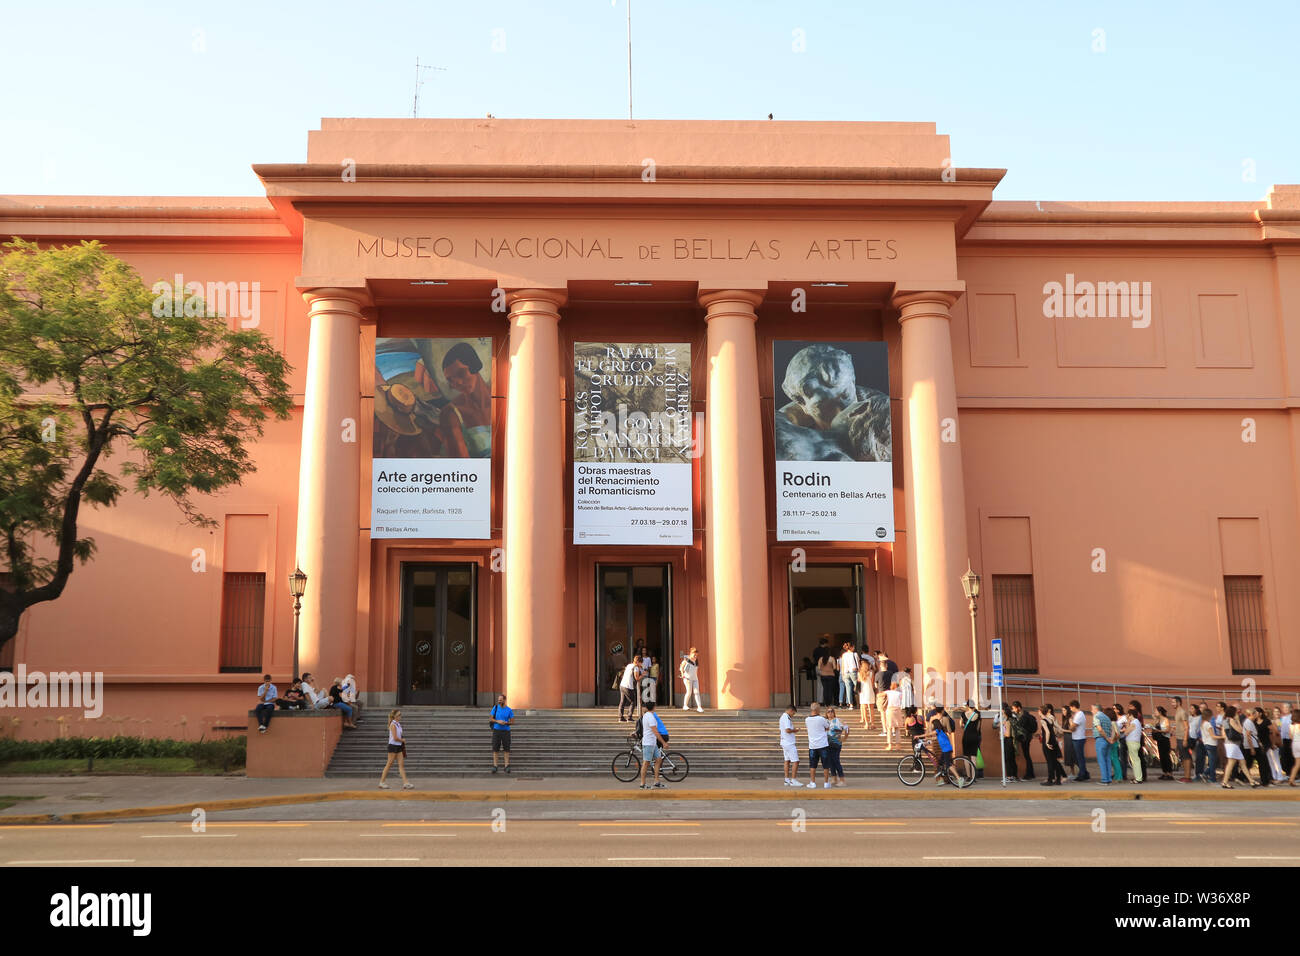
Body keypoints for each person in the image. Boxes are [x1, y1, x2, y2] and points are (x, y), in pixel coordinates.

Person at [1220, 705, 1256, 789]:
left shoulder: (1225, 720)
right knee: (1231, 764)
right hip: (1233, 744)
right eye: (1236, 712)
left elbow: (1224, 733)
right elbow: (1241, 730)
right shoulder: (1232, 720)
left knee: (1242, 763)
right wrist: (1238, 721)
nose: (1237, 713)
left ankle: (1251, 781)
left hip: (1229, 743)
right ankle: (1224, 782)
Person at [378, 709, 414, 790]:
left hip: (398, 746)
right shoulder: (393, 724)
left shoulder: (398, 724)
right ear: (395, 716)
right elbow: (395, 738)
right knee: (389, 764)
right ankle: (382, 782)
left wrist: (401, 742)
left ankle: (406, 783)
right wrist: (402, 740)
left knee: (401, 765)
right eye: (399, 715)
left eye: (400, 714)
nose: (400, 716)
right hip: (393, 746)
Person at [638, 701, 668, 790]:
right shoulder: (650, 717)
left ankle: (656, 781)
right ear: (653, 707)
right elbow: (655, 731)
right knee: (646, 762)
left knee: (658, 760)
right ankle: (642, 784)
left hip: (652, 743)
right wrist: (663, 742)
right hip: (648, 743)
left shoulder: (647, 715)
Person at [805, 702, 832, 789]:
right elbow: (827, 727)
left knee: (812, 765)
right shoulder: (821, 719)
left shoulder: (807, 719)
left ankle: (812, 782)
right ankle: (826, 783)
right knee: (826, 765)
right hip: (823, 745)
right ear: (817, 710)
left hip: (812, 746)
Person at [927, 707, 956, 785]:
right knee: (947, 761)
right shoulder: (945, 719)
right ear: (942, 710)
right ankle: (947, 778)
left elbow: (929, 731)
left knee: (937, 760)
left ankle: (939, 779)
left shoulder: (932, 718)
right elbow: (949, 731)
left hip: (935, 742)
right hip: (944, 741)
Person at [1039, 704, 1064, 786]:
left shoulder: (1043, 720)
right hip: (1054, 741)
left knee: (1050, 761)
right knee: (1054, 761)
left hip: (1048, 741)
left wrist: (1046, 742)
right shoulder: (1051, 719)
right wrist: (1064, 731)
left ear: (1041, 712)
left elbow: (1048, 732)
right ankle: (1058, 779)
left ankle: (1050, 779)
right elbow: (1058, 728)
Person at [1012, 701, 1036, 780]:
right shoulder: (1025, 714)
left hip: (1025, 738)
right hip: (1027, 737)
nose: (1013, 710)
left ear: (1019, 707)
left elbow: (1019, 726)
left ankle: (1029, 774)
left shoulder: (1023, 716)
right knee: (1027, 755)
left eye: (1014, 708)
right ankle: (1031, 773)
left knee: (1027, 756)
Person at [1091, 704, 1115, 785]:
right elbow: (1112, 730)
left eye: (1092, 709)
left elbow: (1100, 729)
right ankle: (1108, 779)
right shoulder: (1107, 717)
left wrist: (1107, 738)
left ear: (1096, 709)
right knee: (1107, 760)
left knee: (1101, 760)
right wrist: (1110, 739)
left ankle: (1104, 779)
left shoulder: (1096, 717)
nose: (1091, 711)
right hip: (1108, 741)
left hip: (1101, 739)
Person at [489, 693, 513, 774]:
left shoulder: (509, 710)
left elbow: (512, 721)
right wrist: (497, 721)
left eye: (501, 700)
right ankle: (495, 766)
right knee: (495, 749)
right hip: (496, 731)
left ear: (504, 700)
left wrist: (506, 723)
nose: (499, 701)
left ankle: (506, 766)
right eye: (498, 700)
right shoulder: (495, 708)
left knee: (506, 749)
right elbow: (491, 719)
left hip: (506, 731)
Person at [826, 706, 849, 787]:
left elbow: (847, 728)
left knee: (836, 761)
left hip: (836, 744)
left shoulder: (838, 720)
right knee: (830, 762)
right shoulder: (825, 721)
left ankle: (842, 780)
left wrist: (845, 738)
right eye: (828, 711)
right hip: (827, 744)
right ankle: (834, 778)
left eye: (831, 711)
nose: (830, 713)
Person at [1199, 702, 1221, 784]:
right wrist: (1222, 737)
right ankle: (1211, 777)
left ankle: (1206, 774)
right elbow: (1213, 736)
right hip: (1211, 744)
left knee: (1213, 761)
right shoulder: (1208, 724)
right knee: (1213, 762)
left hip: (1206, 744)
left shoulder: (1203, 724)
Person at [1068, 700, 1090, 781]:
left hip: (1078, 739)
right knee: (1078, 757)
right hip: (1077, 738)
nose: (1070, 709)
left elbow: (1072, 728)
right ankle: (1085, 773)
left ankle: (1082, 775)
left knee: (1080, 758)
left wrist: (1070, 722)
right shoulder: (1078, 714)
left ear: (1074, 706)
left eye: (1070, 707)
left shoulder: (1079, 715)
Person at [780, 703, 801, 786]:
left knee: (787, 760)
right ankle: (793, 780)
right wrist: (795, 730)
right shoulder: (786, 717)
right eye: (793, 713)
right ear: (790, 710)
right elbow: (787, 730)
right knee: (796, 761)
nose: (793, 715)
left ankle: (786, 779)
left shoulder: (784, 717)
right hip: (789, 743)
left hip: (785, 742)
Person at [960, 703, 983, 779]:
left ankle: (968, 776)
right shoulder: (978, 715)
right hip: (975, 736)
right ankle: (973, 777)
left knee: (966, 757)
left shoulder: (963, 714)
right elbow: (978, 727)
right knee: (974, 758)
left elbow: (961, 725)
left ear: (967, 706)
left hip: (966, 736)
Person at [1170, 696, 1189, 781]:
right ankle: (1185, 776)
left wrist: (1185, 739)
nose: (1172, 704)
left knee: (1186, 757)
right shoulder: (1178, 712)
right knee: (1183, 757)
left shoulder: (1182, 712)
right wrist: (1173, 730)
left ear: (1178, 702)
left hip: (1182, 737)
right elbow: (1178, 724)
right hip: (1179, 737)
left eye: (1174, 702)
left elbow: (1186, 727)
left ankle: (1187, 777)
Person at [1123, 706, 1144, 784]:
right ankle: (1137, 777)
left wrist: (1127, 723)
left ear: (1130, 715)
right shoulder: (1136, 722)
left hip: (1133, 743)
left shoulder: (1134, 723)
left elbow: (1126, 732)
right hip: (1134, 743)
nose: (1126, 716)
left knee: (1135, 761)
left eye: (1127, 714)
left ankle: (1138, 778)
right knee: (1135, 761)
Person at [1152, 705, 1173, 779]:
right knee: (1161, 756)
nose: (1154, 713)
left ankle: (1169, 773)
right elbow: (1154, 727)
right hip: (1159, 739)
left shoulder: (1165, 719)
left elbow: (1167, 730)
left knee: (1166, 756)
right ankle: (1164, 772)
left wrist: (1159, 731)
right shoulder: (1157, 720)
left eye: (1156, 711)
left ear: (1160, 712)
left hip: (1165, 739)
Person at [679, 648, 703, 712]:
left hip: (695, 678)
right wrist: (682, 675)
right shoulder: (686, 659)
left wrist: (696, 677)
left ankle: (699, 707)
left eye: (696, 655)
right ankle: (685, 705)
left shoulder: (696, 661)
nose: (695, 656)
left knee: (696, 692)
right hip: (687, 678)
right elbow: (681, 668)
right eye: (694, 655)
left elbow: (696, 670)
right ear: (691, 653)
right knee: (689, 692)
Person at [816, 644, 838, 709]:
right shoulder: (832, 658)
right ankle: (829, 703)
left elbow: (819, 667)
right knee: (830, 690)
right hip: (831, 676)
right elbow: (834, 667)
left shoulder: (821, 659)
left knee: (825, 689)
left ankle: (826, 703)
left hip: (823, 676)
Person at [874, 659, 892, 737]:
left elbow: (875, 685)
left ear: (880, 666)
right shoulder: (891, 673)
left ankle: (885, 730)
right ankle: (893, 730)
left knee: (882, 713)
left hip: (881, 694)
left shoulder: (877, 674)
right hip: (890, 694)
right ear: (886, 665)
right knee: (890, 713)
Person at [884, 679, 904, 750]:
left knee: (889, 728)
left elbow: (880, 695)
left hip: (890, 710)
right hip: (897, 710)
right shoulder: (900, 693)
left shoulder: (888, 692)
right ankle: (898, 745)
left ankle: (890, 745)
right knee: (897, 728)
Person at [1000, 703, 1018, 780]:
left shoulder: (1007, 721)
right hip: (1013, 741)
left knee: (1007, 759)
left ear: (1005, 714)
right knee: (1012, 759)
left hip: (1008, 741)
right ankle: (1014, 775)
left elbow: (1007, 734)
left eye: (1003, 713)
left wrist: (1002, 733)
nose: (1002, 714)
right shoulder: (1012, 719)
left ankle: (1009, 776)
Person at [618, 657, 639, 722]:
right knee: (633, 702)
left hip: (622, 685)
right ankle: (629, 717)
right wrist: (643, 674)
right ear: (638, 662)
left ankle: (620, 717)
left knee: (622, 701)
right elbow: (637, 678)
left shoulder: (629, 665)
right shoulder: (636, 667)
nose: (642, 664)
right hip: (628, 686)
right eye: (641, 663)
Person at [838, 642, 859, 707]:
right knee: (858, 687)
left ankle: (851, 704)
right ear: (852, 647)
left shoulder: (844, 655)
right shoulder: (855, 654)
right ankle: (859, 703)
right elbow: (858, 663)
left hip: (846, 672)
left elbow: (843, 665)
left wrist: (843, 674)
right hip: (853, 671)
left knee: (848, 689)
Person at [857, 655, 874, 729]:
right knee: (871, 708)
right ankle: (872, 723)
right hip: (870, 691)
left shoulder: (859, 673)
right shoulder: (871, 673)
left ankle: (866, 724)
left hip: (863, 692)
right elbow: (872, 683)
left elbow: (858, 683)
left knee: (864, 708)